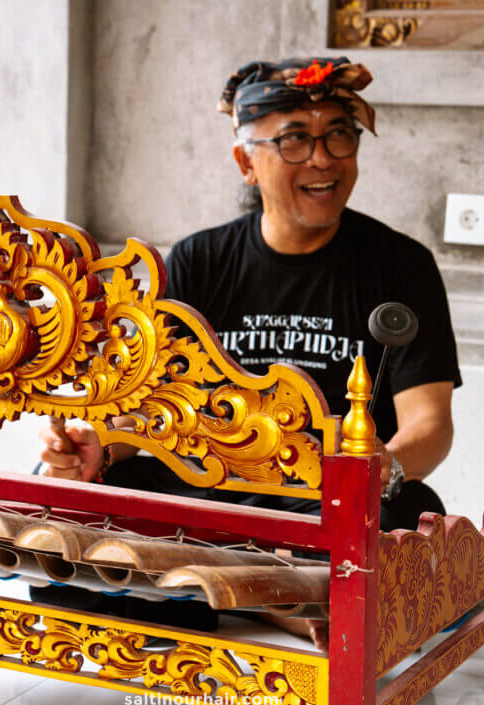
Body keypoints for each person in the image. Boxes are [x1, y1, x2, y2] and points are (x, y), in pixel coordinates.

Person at [32, 57, 461, 648]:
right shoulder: (197, 262)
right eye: (294, 140)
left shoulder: (401, 265)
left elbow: (430, 423)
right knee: (64, 535)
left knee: (415, 520)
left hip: (326, 501)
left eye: (339, 134)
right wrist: (100, 448)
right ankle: (276, 598)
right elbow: (148, 409)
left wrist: (378, 470)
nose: (322, 158)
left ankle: (208, 589)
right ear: (245, 162)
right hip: (207, 492)